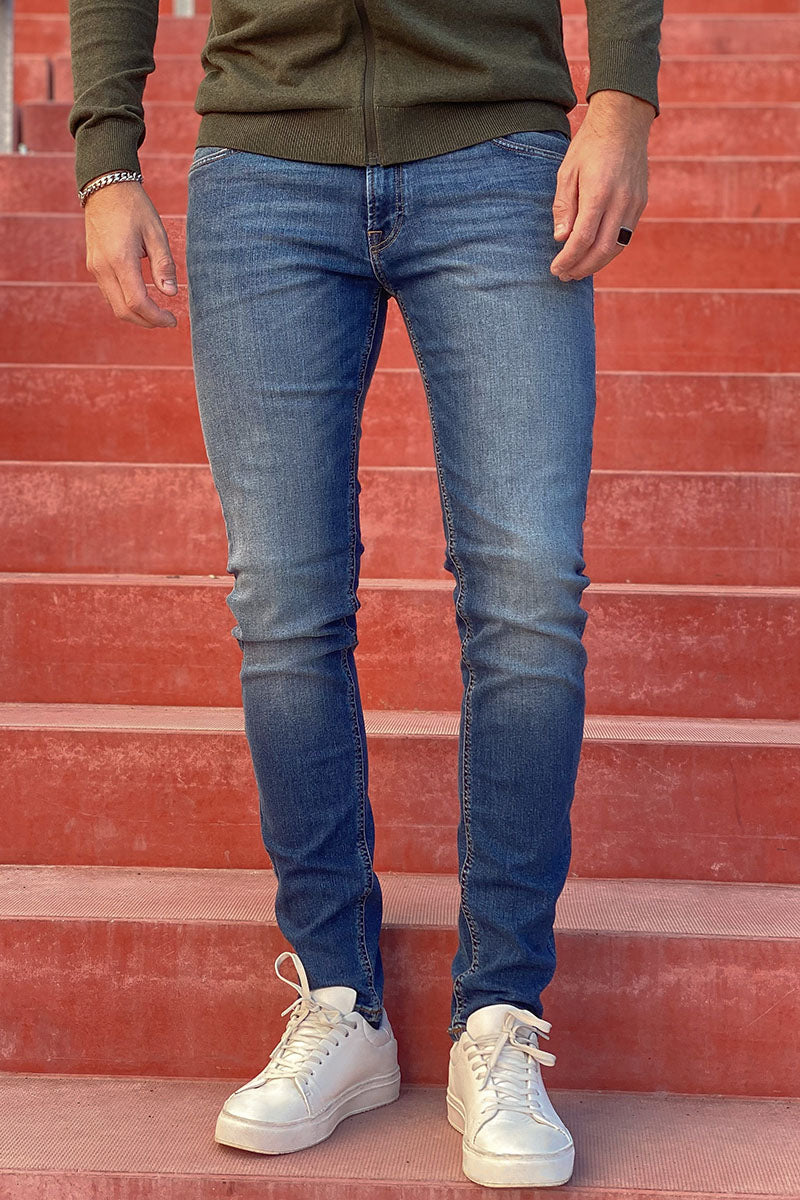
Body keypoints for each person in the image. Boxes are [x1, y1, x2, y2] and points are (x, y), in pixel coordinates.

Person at [69, 0, 662, 1186]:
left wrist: (620, 100)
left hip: (496, 147)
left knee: (528, 594)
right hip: (262, 161)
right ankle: (338, 1000)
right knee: (282, 605)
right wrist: (105, 160)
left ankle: (500, 1013)